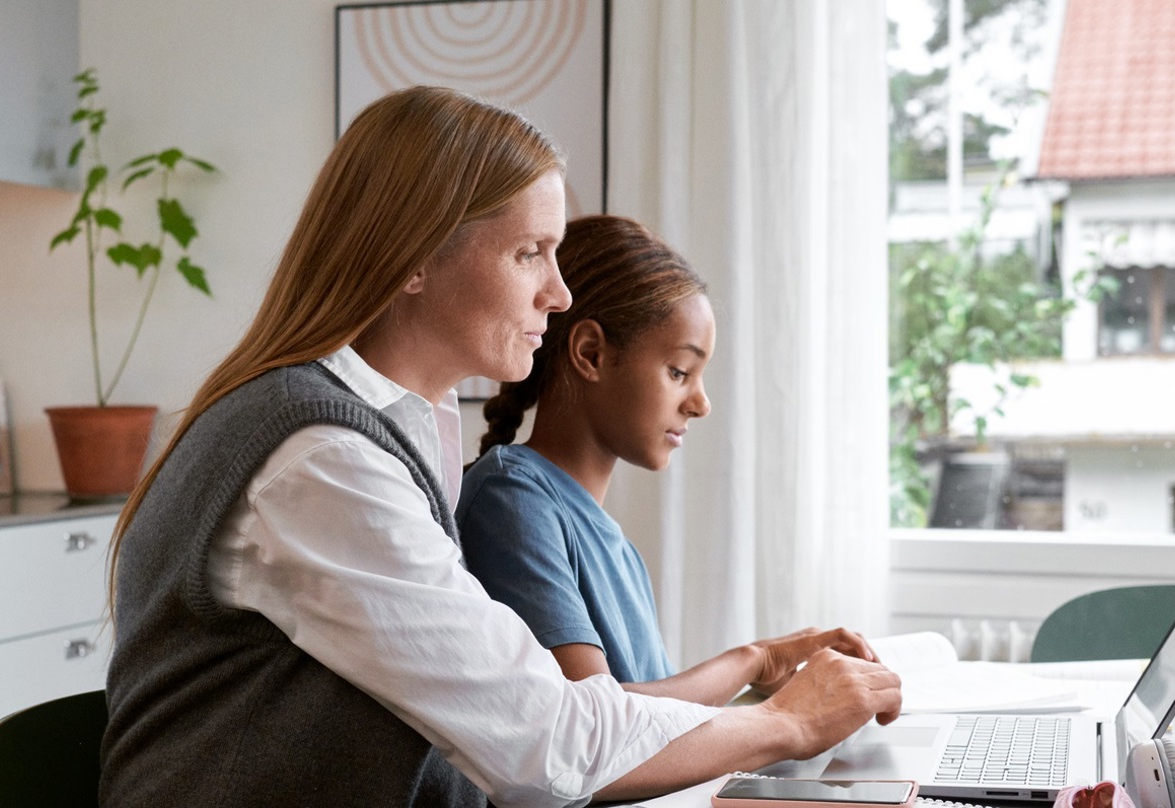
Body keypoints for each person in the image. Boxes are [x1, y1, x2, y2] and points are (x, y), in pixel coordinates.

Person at [100, 86, 903, 808]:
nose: (557, 293)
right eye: (529, 254)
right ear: (414, 257)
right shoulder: (319, 462)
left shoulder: (382, 434)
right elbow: (548, 745)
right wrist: (789, 724)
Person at [458, 215, 876, 709]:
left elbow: (655, 726)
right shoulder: (511, 500)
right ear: (590, 353)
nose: (700, 403)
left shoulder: (621, 553)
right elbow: (594, 722)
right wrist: (752, 659)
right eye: (679, 371)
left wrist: (759, 693)